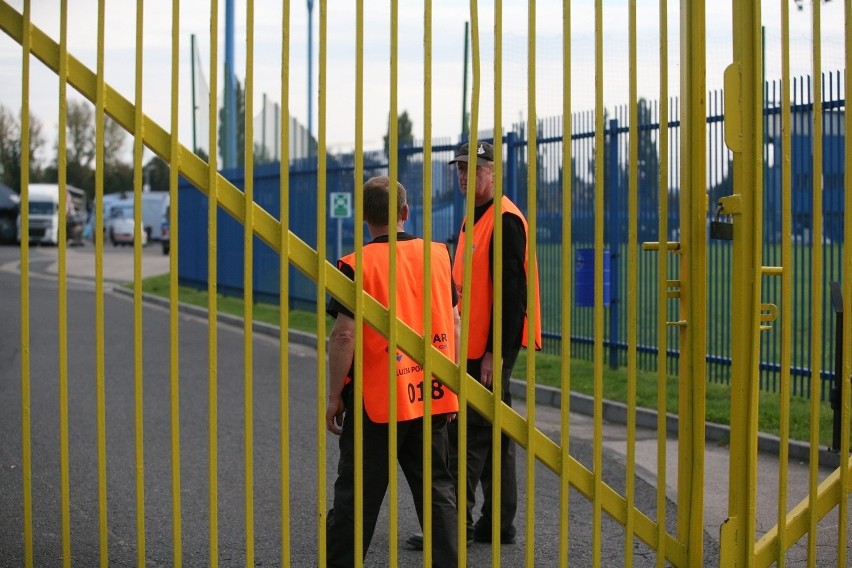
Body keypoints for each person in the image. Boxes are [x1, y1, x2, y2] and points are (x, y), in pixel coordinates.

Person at [407, 140, 542, 549]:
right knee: (496, 434)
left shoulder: (503, 220)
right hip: (473, 343)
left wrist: (492, 355)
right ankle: (497, 524)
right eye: (461, 169)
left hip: (488, 349)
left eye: (474, 170)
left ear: (494, 174)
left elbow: (511, 297)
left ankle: (455, 527)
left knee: (467, 434)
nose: (466, 176)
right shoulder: (475, 216)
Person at [325, 176, 461, 567]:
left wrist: (335, 395)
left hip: (376, 403)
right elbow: (453, 322)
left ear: (365, 217)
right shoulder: (439, 255)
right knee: (438, 493)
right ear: (405, 212)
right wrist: (450, 384)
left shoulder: (356, 265)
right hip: (431, 394)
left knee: (356, 498)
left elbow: (345, 335)